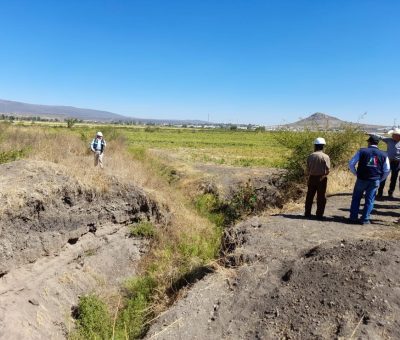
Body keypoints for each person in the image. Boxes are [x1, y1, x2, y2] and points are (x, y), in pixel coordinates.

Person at [348, 135, 390, 224]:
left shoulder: (362, 151)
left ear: (369, 142)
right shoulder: (383, 154)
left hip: (361, 179)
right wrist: (381, 179)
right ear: (377, 143)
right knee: (370, 200)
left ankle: (353, 217)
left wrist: (356, 173)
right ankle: (365, 219)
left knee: (356, 198)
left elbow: (351, 164)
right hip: (374, 180)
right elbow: (387, 170)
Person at [304, 137, 330, 220]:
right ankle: (319, 215)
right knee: (321, 197)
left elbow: (307, 169)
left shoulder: (310, 156)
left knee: (309, 196)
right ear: (323, 146)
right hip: (322, 179)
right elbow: (328, 170)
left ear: (315, 146)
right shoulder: (325, 156)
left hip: (311, 178)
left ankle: (307, 213)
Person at [372, 128, 400, 199]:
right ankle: (380, 192)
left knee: (394, 178)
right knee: (383, 176)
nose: (392, 136)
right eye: (393, 134)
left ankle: (391, 192)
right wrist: (370, 134)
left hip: (397, 163)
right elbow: (380, 137)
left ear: (398, 135)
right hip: (388, 161)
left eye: (394, 134)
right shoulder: (389, 140)